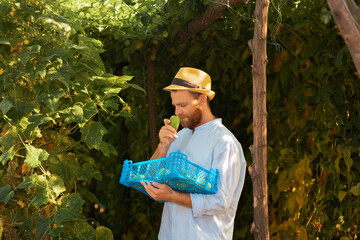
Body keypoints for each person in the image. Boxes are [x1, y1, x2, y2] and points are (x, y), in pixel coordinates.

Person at [141, 67, 246, 240]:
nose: (176, 112)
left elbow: (220, 201)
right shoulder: (178, 137)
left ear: (202, 99)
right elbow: (150, 178)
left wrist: (172, 196)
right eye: (175, 106)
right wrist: (162, 146)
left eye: (183, 105)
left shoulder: (224, 142)